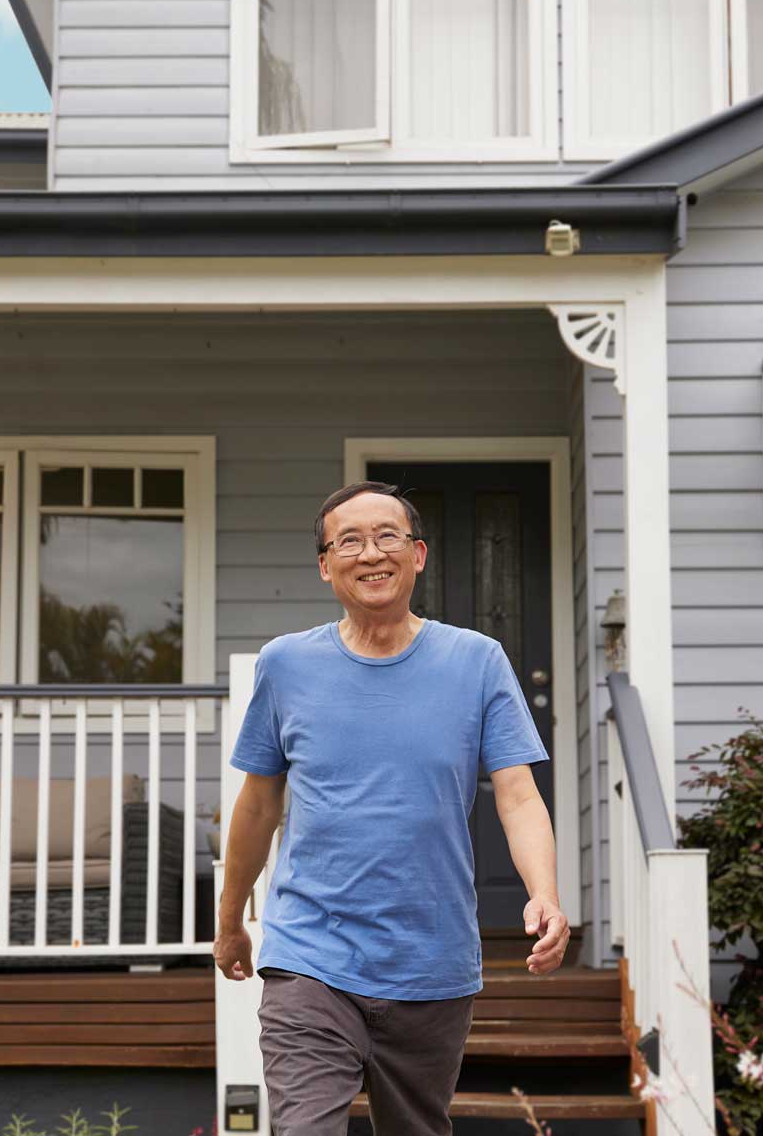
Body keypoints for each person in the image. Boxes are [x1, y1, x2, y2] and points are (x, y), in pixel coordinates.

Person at [213, 481, 569, 1136]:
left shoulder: (477, 661)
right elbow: (258, 805)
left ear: (418, 555)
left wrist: (544, 893)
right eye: (349, 541)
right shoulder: (285, 665)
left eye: (387, 536)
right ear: (326, 566)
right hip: (310, 955)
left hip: (431, 963)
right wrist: (231, 918)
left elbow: (518, 794)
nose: (371, 553)